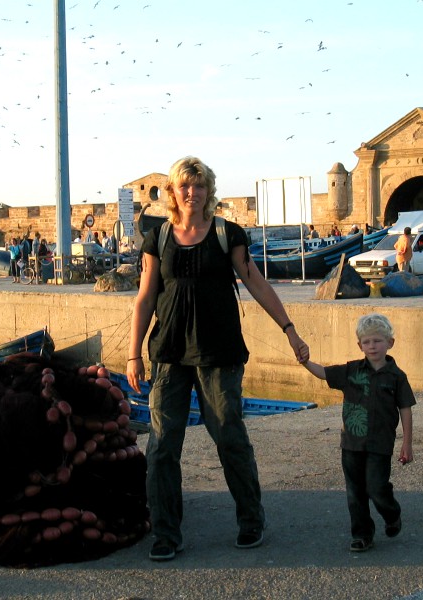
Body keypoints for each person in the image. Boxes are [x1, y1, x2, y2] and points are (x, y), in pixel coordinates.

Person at [127, 156, 309, 562]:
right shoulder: (157, 238)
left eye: (199, 185)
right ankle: (166, 532)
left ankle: (250, 519)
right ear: (173, 193)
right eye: (184, 186)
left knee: (229, 437)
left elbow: (256, 282)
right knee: (161, 446)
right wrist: (132, 353)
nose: (191, 192)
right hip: (169, 355)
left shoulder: (228, 233)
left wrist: (290, 329)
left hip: (219, 354)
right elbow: (145, 296)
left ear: (209, 190)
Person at [302, 313, 414, 553]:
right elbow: (323, 373)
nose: (372, 346)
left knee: (376, 487)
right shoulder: (351, 370)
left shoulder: (397, 377)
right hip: (351, 443)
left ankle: (392, 513)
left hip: (380, 444)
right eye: (367, 342)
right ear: (359, 345)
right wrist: (305, 362)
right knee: (355, 493)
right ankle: (362, 535)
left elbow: (405, 408)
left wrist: (408, 443)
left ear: (390, 343)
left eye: (377, 341)